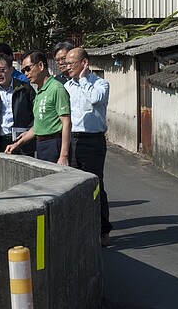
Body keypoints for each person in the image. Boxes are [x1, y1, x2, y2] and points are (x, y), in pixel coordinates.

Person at [64, 47, 113, 247]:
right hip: (72, 140)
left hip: (92, 141)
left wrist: (84, 80)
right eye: (66, 63)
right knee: (73, 186)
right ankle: (79, 229)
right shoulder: (67, 86)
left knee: (94, 185)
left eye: (71, 63)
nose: (68, 68)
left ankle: (103, 229)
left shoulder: (100, 84)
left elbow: (95, 99)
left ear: (84, 63)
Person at [5, 50, 71, 165]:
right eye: (23, 70)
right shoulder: (39, 91)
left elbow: (66, 123)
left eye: (28, 69)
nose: (26, 74)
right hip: (41, 144)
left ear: (40, 65)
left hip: (54, 143)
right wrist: (17, 144)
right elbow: (38, 126)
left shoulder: (56, 88)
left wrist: (63, 155)